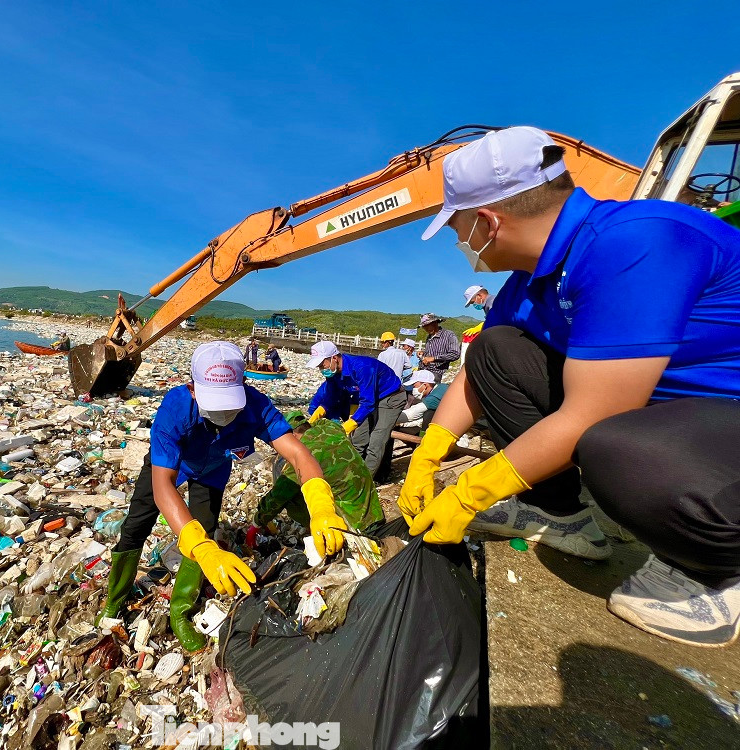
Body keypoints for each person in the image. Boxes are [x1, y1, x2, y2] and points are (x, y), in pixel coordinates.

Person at [400, 125, 740, 647]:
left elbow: (590, 415)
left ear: (487, 222)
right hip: (671, 414)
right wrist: (429, 452)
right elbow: (478, 369)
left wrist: (471, 493)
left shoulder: (633, 242)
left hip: (721, 419)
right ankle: (558, 512)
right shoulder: (532, 277)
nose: (458, 240)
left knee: (613, 446)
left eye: (456, 227)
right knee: (495, 349)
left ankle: (716, 571)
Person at [100, 342, 347, 651]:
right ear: (192, 388)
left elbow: (297, 453)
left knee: (204, 527)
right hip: (169, 464)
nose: (223, 413)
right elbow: (164, 485)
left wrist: (321, 505)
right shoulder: (175, 408)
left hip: (213, 470)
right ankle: (115, 600)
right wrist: (202, 549)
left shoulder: (255, 406)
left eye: (229, 403)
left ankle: (180, 612)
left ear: (243, 384)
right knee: (136, 526)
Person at [256, 411, 384, 532]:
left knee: (292, 491)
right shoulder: (330, 428)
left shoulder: (303, 458)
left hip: (353, 526)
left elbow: (276, 498)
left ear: (292, 436)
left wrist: (257, 522)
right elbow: (322, 421)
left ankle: (317, 525)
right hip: (374, 513)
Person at [306, 340, 406, 477]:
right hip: (367, 398)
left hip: (390, 396)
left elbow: (368, 403)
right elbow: (331, 396)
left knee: (377, 439)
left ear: (334, 358)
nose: (322, 370)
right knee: (358, 438)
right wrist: (321, 410)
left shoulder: (362, 367)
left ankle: (366, 479)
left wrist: (352, 422)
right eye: (319, 367)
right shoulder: (334, 374)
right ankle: (351, 472)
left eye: (322, 365)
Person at [418, 314, 460, 383]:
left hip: (436, 373)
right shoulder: (429, 337)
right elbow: (432, 352)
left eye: (427, 326)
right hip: (424, 370)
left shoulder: (448, 335)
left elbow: (455, 354)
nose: (426, 329)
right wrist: (423, 353)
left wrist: (434, 358)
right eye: (424, 327)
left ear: (435, 323)